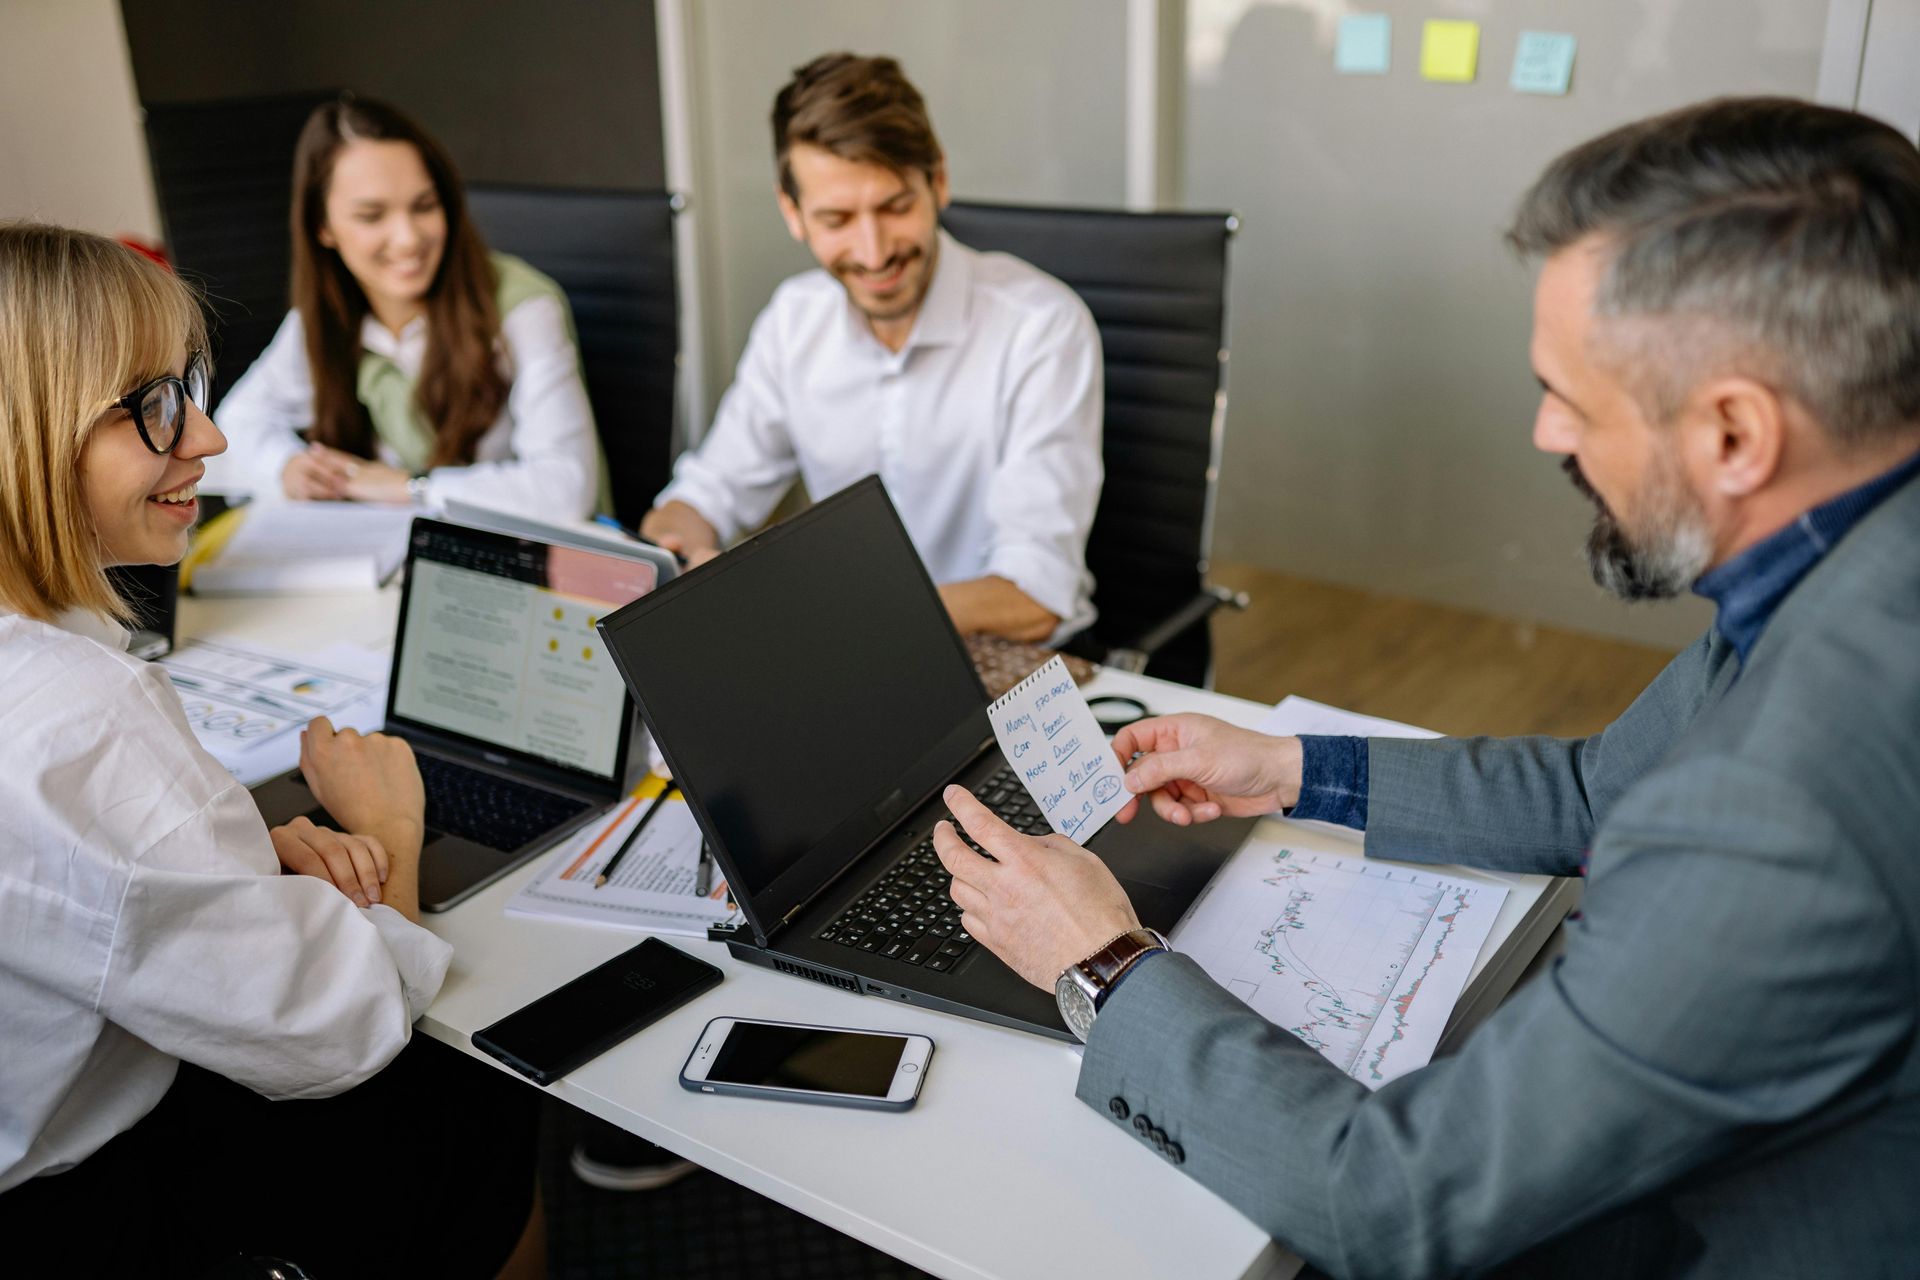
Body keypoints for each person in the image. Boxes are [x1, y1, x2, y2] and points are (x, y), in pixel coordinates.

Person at [933, 97, 1920, 1276]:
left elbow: (1392, 1202)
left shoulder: (1791, 802)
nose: (1547, 432)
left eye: (1573, 396)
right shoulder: (1846, 559)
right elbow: (1607, 783)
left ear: (1733, 435)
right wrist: (1292, 766)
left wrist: (1102, 962)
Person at [0, 223, 542, 1278]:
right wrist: (385, 831)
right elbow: (339, 1026)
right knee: (476, 1090)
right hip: (85, 1217)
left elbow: (92, 887)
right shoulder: (76, 719)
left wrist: (236, 860)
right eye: (153, 405)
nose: (205, 438)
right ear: (28, 431)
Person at [641, 52, 1103, 643]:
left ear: (938, 181)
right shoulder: (793, 320)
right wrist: (676, 542)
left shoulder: (1040, 326)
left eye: (895, 207)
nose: (874, 250)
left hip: (1004, 655)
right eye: (836, 218)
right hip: (846, 642)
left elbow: (1035, 596)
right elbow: (708, 493)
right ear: (793, 213)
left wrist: (832, 611)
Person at [211, 95, 602, 519]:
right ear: (322, 227)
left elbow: (566, 488)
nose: (408, 238)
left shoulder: (523, 308)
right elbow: (236, 425)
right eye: (372, 215)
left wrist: (405, 487)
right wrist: (287, 466)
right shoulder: (323, 318)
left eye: (424, 206)